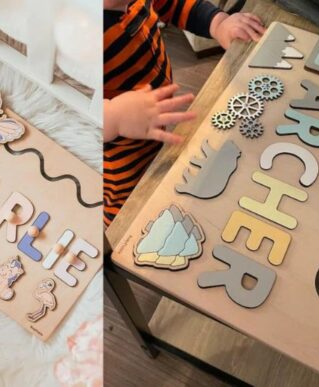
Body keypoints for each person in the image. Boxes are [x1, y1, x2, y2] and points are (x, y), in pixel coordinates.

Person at [103, 0, 265, 225]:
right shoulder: (76, 35)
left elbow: (174, 4)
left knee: (154, 173)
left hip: (151, 118)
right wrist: (113, 118)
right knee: (126, 202)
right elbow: (62, 107)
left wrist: (218, 23)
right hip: (118, 152)